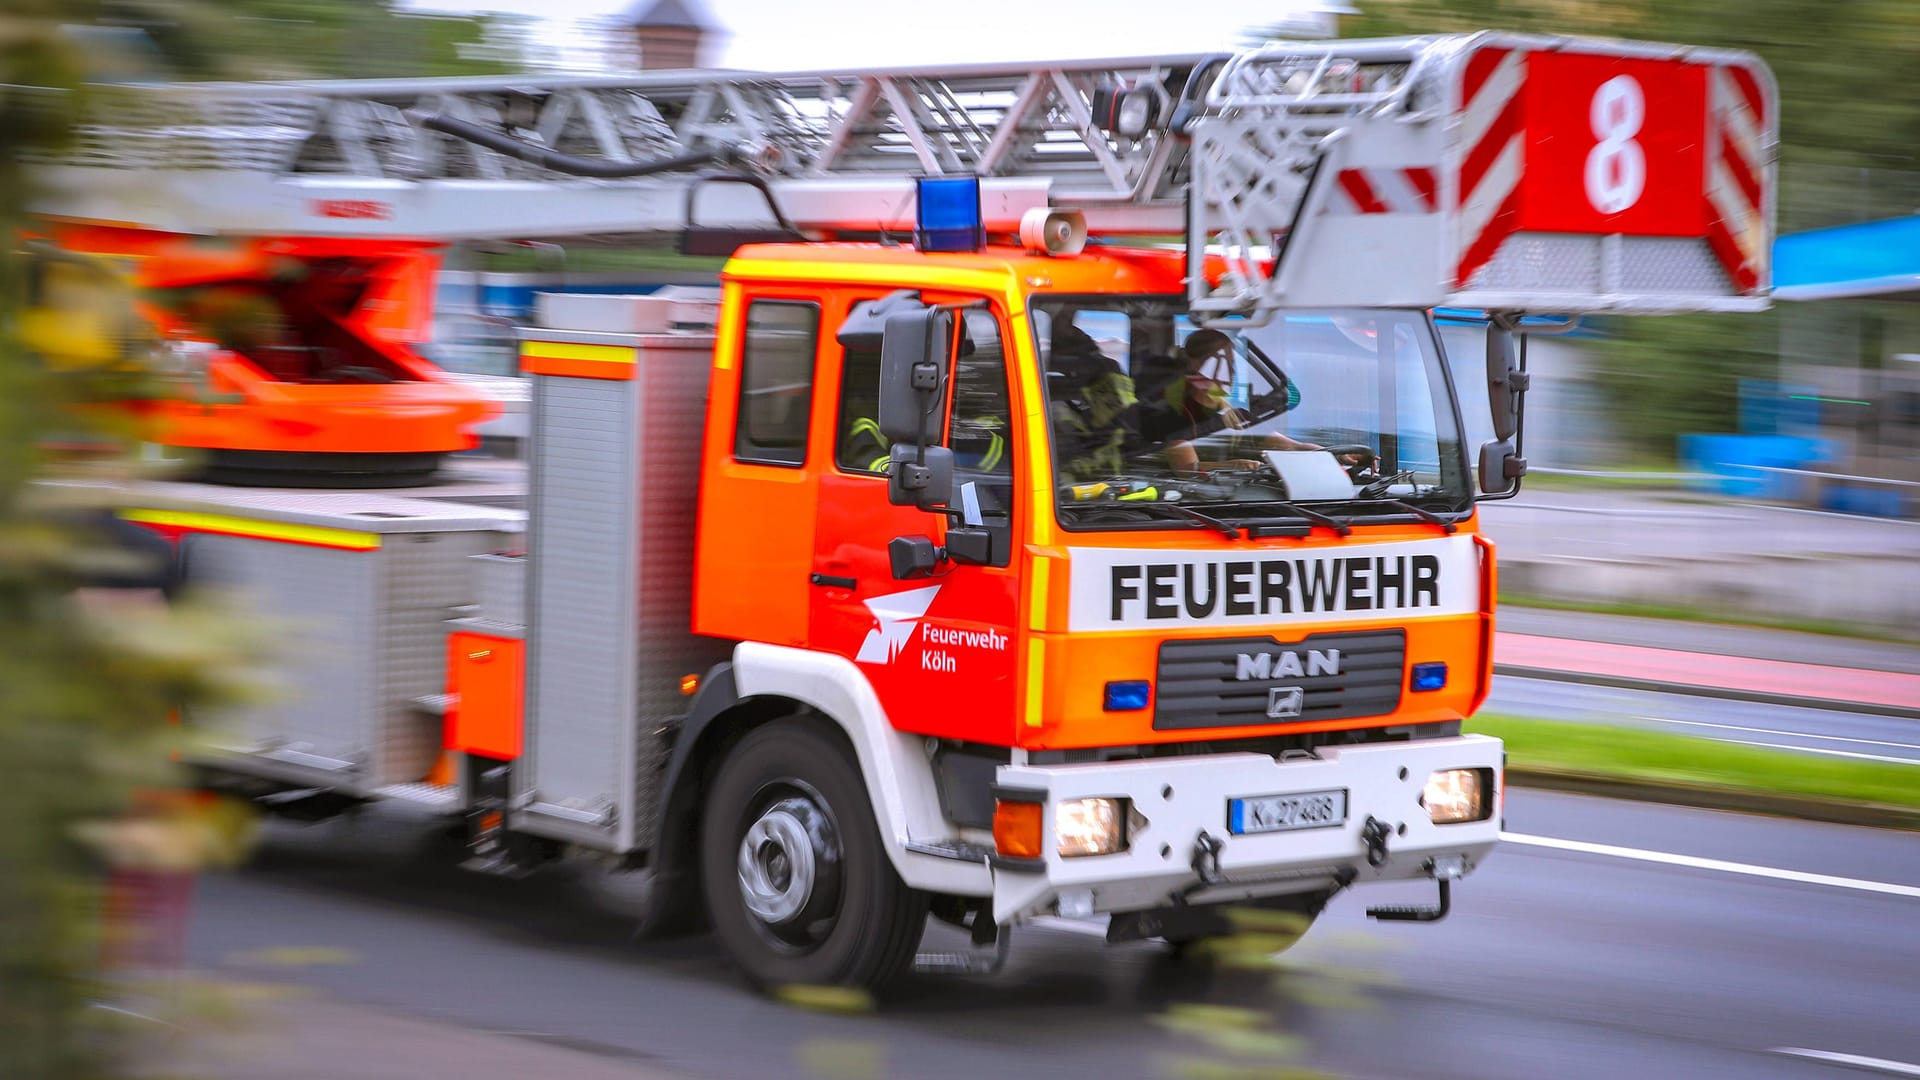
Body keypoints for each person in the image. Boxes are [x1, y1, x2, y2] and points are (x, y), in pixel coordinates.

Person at [1148, 328, 1330, 473]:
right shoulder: (1174, 415)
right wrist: (1233, 466)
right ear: (1195, 364)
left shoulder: (1237, 416)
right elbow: (1187, 469)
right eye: (1221, 363)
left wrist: (1331, 455)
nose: (1231, 371)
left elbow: (1293, 447)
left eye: (1232, 364)